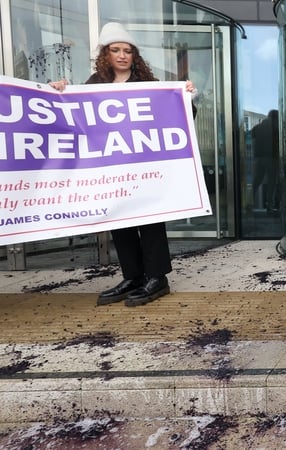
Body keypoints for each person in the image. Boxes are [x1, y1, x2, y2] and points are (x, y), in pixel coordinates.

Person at [50, 22, 197, 307]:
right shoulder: (94, 83)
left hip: (144, 166)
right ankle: (133, 276)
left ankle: (157, 278)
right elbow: (74, 117)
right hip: (112, 169)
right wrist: (60, 93)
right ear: (106, 54)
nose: (121, 55)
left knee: (151, 219)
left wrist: (187, 97)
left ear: (134, 56)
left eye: (127, 51)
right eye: (115, 50)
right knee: (120, 220)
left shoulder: (150, 85)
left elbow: (178, 116)